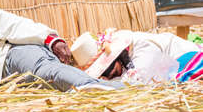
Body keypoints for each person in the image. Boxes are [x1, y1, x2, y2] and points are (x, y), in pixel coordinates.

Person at [71, 29, 202, 83]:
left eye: (105, 70)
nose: (106, 76)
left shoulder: (142, 46)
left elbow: (139, 83)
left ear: (116, 57)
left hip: (185, 58)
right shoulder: (122, 63)